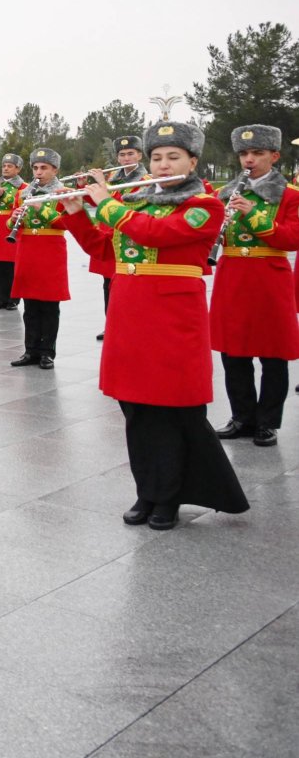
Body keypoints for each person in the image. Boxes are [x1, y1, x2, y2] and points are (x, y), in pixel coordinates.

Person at [81, 121, 248, 530]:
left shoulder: (205, 204)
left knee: (171, 409)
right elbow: (102, 246)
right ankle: (147, 491)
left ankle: (169, 497)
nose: (162, 164)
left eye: (173, 157)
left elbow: (158, 234)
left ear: (192, 161)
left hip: (173, 318)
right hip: (129, 314)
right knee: (135, 409)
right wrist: (74, 213)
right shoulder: (136, 203)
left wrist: (108, 205)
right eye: (156, 157)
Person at [210, 124, 299, 447]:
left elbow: (291, 238)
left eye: (258, 153)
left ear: (274, 156)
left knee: (273, 353)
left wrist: (255, 215)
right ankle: (242, 417)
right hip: (232, 275)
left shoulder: (290, 196)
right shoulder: (226, 193)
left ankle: (267, 422)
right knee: (233, 352)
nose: (250, 159)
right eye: (244, 154)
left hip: (269, 278)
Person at [8, 147, 73, 369]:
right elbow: (11, 223)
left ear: (55, 169)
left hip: (51, 250)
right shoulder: (24, 192)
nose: (38, 172)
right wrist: (14, 217)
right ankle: (30, 350)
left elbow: (67, 223)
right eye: (35, 168)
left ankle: (47, 352)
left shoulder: (64, 192)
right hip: (27, 250)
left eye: (44, 168)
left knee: (49, 306)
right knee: (30, 305)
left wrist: (42, 209)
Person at [97, 134, 146, 341]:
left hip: (129, 239)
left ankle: (129, 325)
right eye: (122, 155)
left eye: (130, 154)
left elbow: (123, 206)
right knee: (108, 284)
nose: (126, 158)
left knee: (128, 285)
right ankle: (111, 323)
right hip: (109, 239)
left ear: (140, 155)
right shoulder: (113, 178)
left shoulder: (145, 180)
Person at [0, 153, 24, 310]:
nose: (6, 168)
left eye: (10, 166)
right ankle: (2, 298)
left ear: (18, 169)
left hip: (10, 225)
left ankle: (13, 299)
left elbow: (20, 204)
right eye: (4, 166)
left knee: (12, 264)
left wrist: (5, 196)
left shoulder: (23, 187)